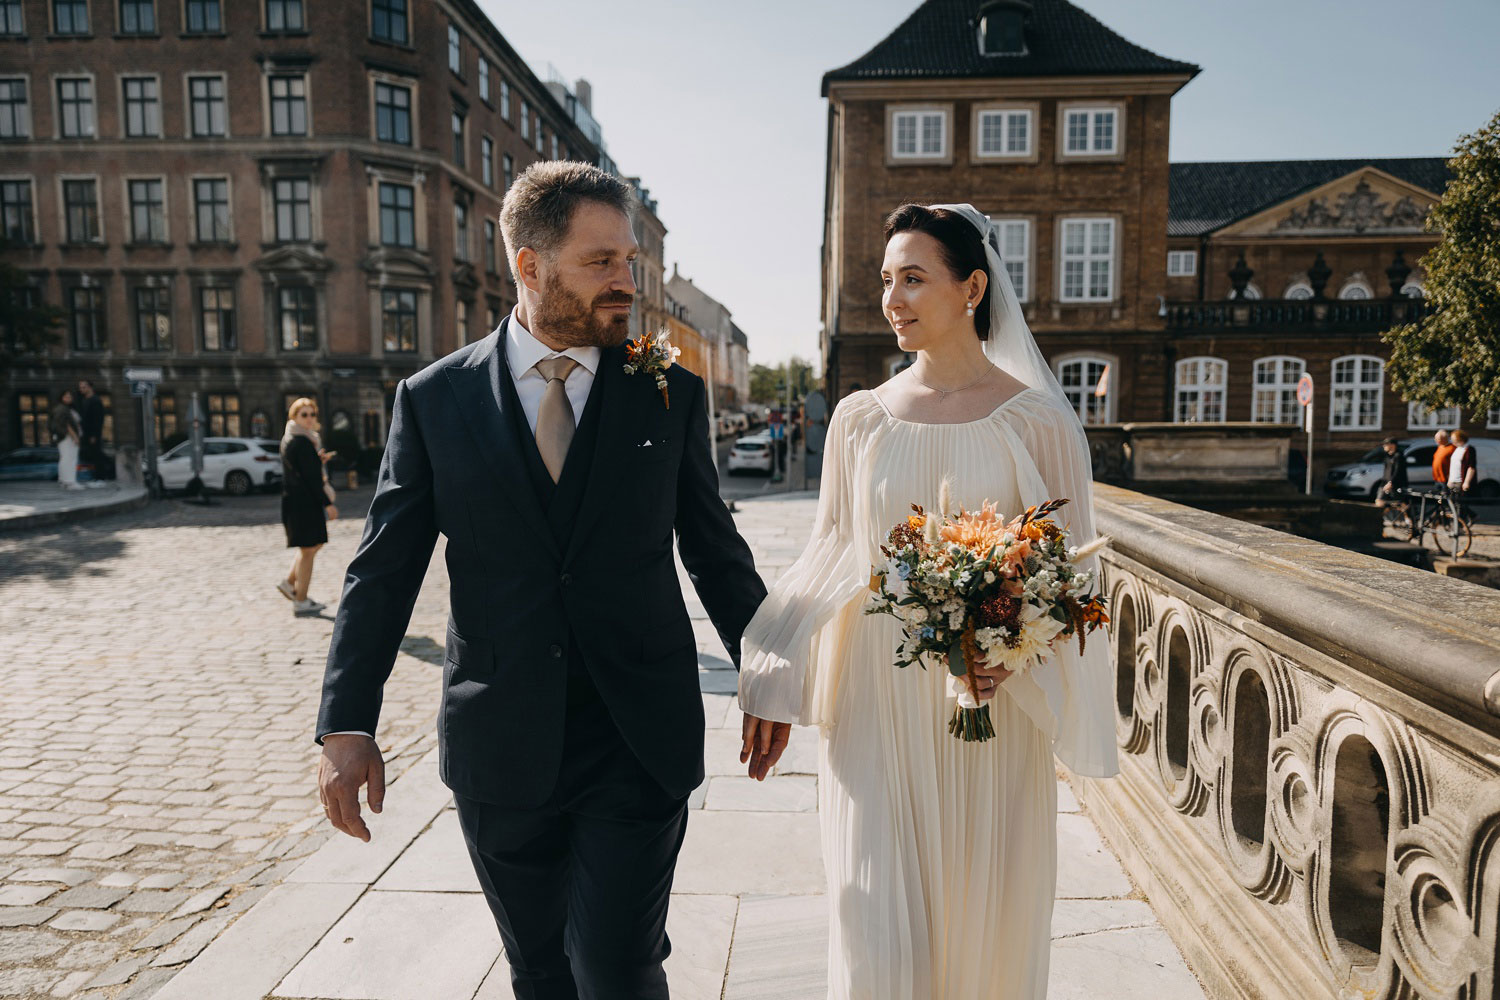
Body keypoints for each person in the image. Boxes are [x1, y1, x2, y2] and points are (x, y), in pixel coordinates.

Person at [314, 161, 766, 999]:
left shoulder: (667, 391)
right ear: (530, 265)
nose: (626, 282)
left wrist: (772, 673)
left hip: (638, 737)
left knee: (618, 966)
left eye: (629, 260)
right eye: (602, 263)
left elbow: (713, 549)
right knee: (540, 972)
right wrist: (346, 724)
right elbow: (383, 570)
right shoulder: (434, 401)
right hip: (500, 743)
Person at [738, 203, 1117, 999]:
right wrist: (770, 667)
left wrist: (1014, 652)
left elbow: (1075, 573)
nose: (893, 298)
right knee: (880, 941)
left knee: (984, 924)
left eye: (914, 278)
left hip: (989, 713)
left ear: (973, 286)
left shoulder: (1039, 419)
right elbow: (832, 548)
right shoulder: (858, 419)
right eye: (886, 279)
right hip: (875, 707)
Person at [279, 398, 338, 617]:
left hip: (296, 501)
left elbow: (304, 469)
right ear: (294, 416)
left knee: (311, 547)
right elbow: (311, 478)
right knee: (309, 549)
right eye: (304, 414)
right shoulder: (302, 442)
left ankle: (290, 583)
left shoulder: (293, 438)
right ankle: (301, 600)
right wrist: (328, 504)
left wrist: (316, 460)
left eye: (312, 414)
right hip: (303, 503)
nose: (309, 418)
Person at [76, 379, 111, 481]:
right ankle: (96, 477)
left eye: (83, 387)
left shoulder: (95, 400)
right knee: (92, 455)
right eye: (80, 387)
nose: (81, 389)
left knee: (97, 456)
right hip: (86, 434)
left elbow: (98, 420)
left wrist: (94, 435)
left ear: (90, 387)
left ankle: (101, 478)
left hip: (93, 434)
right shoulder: (84, 400)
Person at [51, 389, 82, 490]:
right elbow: (66, 425)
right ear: (62, 398)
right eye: (66, 396)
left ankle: (64, 481)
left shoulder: (63, 408)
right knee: (70, 459)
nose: (69, 398)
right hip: (67, 438)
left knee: (65, 458)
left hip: (64, 437)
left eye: (70, 396)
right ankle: (70, 482)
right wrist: (75, 437)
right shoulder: (63, 409)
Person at [1377, 436, 1408, 504]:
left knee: (1399, 504)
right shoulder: (1387, 457)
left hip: (1396, 485)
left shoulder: (1399, 456)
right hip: (1386, 483)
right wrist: (1383, 483)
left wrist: (1391, 483)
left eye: (1386, 444)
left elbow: (1398, 471)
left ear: (1392, 445)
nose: (1384, 446)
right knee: (1379, 501)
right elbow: (1386, 472)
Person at [1447, 428, 1478, 495]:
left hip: (1460, 482)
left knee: (1460, 504)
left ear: (1460, 438)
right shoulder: (1456, 449)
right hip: (1453, 481)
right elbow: (1453, 465)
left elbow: (1471, 467)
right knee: (1451, 503)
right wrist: (1449, 480)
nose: (1451, 440)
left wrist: (1466, 482)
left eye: (1453, 438)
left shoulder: (1469, 449)